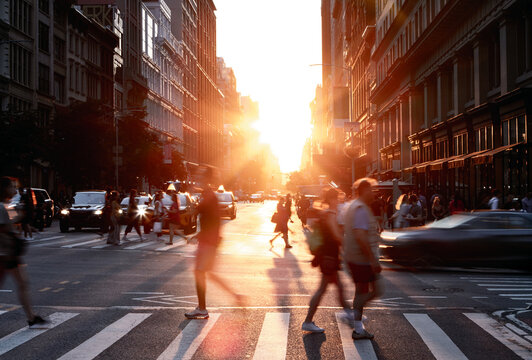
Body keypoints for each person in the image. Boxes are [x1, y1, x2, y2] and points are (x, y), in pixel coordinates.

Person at [185, 167, 243, 319]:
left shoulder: (209, 196)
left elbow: (207, 219)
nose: (197, 178)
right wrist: (199, 235)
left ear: (206, 179)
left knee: (200, 272)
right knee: (206, 273)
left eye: (200, 176)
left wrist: (201, 235)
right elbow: (209, 220)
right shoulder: (208, 195)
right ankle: (235, 296)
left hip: (208, 242)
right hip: (209, 241)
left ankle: (202, 308)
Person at [302, 188, 351, 333]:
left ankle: (349, 313)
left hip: (329, 257)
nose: (339, 201)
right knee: (324, 289)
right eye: (337, 198)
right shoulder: (330, 214)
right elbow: (336, 235)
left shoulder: (328, 213)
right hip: (328, 257)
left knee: (336, 287)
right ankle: (308, 321)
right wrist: (349, 248)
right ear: (331, 199)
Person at [0, 177, 47, 328]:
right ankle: (31, 317)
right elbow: (4, 228)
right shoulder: (1, 207)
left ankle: (31, 317)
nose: (15, 190)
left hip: (10, 253)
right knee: (22, 283)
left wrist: (25, 221)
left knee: (23, 283)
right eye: (12, 187)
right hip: (4, 254)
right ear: (4, 189)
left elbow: (14, 221)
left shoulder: (7, 206)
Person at [343, 177, 383, 340]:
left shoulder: (356, 206)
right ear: (365, 190)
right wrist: (372, 259)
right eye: (372, 190)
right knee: (377, 290)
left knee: (362, 291)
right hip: (362, 258)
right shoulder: (360, 209)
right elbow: (360, 235)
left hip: (356, 257)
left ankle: (358, 326)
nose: (374, 194)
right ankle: (354, 316)